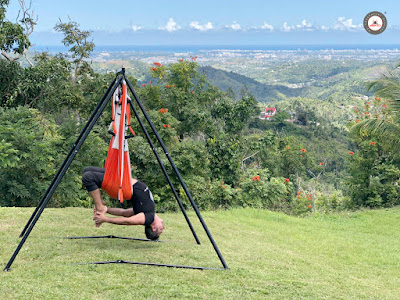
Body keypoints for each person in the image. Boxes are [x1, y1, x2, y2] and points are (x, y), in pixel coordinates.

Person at [81, 167, 164, 240]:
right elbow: (123, 212)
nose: (163, 227)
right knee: (87, 170)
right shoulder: (148, 212)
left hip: (123, 186)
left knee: (88, 177)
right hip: (125, 181)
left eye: (161, 230)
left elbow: (127, 221)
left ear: (154, 228)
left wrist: (105, 219)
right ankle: (100, 204)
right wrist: (107, 210)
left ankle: (99, 206)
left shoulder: (148, 218)